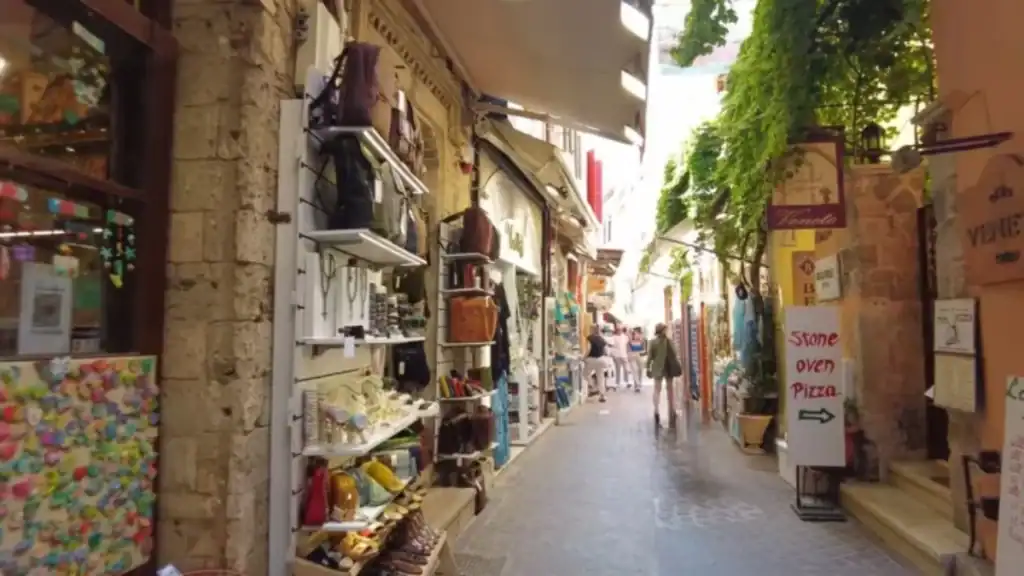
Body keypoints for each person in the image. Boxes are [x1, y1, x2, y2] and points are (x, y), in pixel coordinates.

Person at [646, 323, 682, 427]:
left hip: (657, 369)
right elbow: (675, 353)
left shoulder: (652, 342)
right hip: (668, 369)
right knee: (670, 389)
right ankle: (672, 410)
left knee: (657, 390)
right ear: (663, 331)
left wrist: (648, 368)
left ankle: (656, 411)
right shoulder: (668, 341)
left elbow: (650, 357)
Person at [584, 325, 608, 403]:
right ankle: (602, 396)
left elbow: (588, 349)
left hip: (592, 359)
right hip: (601, 360)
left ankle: (593, 387)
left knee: (585, 374)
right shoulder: (602, 339)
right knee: (601, 377)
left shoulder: (590, 338)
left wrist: (584, 358)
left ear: (592, 330)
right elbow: (605, 352)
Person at [610, 325, 630, 390]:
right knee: (617, 369)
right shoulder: (613, 337)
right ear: (616, 330)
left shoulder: (625, 337)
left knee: (626, 369)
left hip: (624, 355)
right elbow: (611, 345)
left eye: (620, 329)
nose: (619, 331)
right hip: (617, 355)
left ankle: (627, 381)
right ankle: (617, 383)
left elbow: (627, 344)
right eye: (618, 330)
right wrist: (612, 354)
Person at [627, 326, 646, 394]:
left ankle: (639, 383)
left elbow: (644, 349)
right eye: (636, 332)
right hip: (632, 356)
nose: (638, 334)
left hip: (639, 355)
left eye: (639, 333)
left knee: (640, 370)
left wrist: (640, 351)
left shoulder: (642, 339)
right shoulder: (630, 339)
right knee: (635, 370)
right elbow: (628, 349)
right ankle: (637, 385)